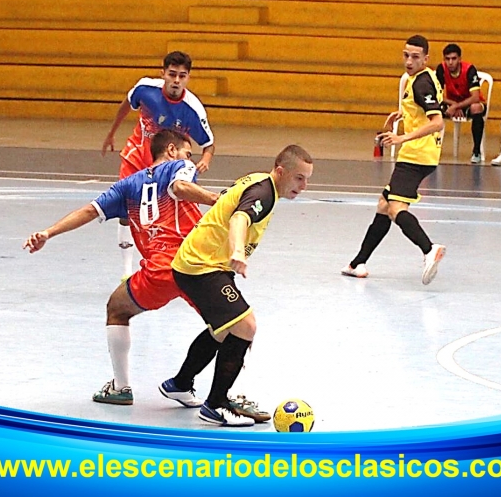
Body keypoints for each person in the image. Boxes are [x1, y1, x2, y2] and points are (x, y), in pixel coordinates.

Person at [23, 130, 267, 421]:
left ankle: (128, 387)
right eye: (188, 153)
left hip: (158, 272)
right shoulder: (179, 166)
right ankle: (228, 395)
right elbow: (179, 187)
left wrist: (48, 233)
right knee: (237, 324)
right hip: (195, 265)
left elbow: (89, 211)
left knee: (117, 308)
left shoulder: (127, 186)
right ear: (173, 149)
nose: (191, 160)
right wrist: (217, 199)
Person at [162, 144, 313, 427]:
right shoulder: (264, 193)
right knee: (246, 326)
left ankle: (180, 384)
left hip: (202, 261)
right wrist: (238, 251)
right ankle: (215, 404)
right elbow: (240, 218)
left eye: (307, 179)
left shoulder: (260, 180)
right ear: (281, 172)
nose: (303, 186)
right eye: (299, 178)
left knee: (223, 330)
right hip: (202, 266)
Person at [341, 35, 446, 285]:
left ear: (426, 58)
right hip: (423, 153)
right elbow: (425, 109)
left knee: (396, 208)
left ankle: (429, 249)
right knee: (383, 205)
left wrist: (401, 137)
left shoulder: (421, 84)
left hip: (416, 155)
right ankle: (358, 263)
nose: (409, 61)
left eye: (415, 57)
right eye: (406, 55)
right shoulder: (425, 77)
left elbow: (437, 121)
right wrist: (403, 113)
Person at [102, 51, 216, 279]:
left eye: (182, 76)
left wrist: (205, 160)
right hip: (136, 159)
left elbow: (209, 143)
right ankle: (127, 271)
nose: (176, 80)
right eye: (172, 74)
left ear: (188, 78)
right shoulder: (146, 89)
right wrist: (111, 133)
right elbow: (127, 104)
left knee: (163, 215)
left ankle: (175, 262)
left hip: (165, 168)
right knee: (128, 212)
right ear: (162, 73)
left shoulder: (193, 109)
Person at [435, 43, 486, 164]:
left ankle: (477, 151)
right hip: (451, 103)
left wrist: (456, 106)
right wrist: (453, 104)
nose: (450, 62)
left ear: (459, 59)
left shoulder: (469, 70)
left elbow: (475, 97)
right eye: (447, 59)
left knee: (476, 107)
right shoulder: (441, 69)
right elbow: (437, 95)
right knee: (433, 107)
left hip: (469, 103)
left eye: (454, 58)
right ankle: (431, 148)